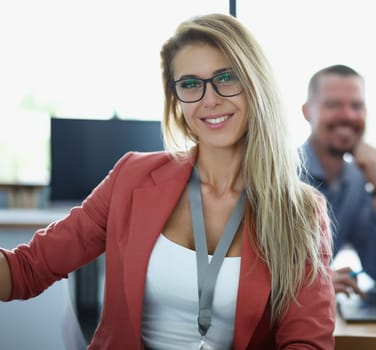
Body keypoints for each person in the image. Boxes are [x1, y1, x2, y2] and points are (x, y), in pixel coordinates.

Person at [0, 14, 335, 349]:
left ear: (256, 84)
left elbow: (306, 341)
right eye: (190, 84)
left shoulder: (300, 211)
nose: (210, 99)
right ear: (176, 99)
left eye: (226, 78)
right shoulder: (132, 177)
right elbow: (27, 269)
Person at [300, 64, 376, 296]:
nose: (348, 115)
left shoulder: (355, 180)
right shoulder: (281, 176)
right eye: (333, 105)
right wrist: (317, 282)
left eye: (356, 106)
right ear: (307, 112)